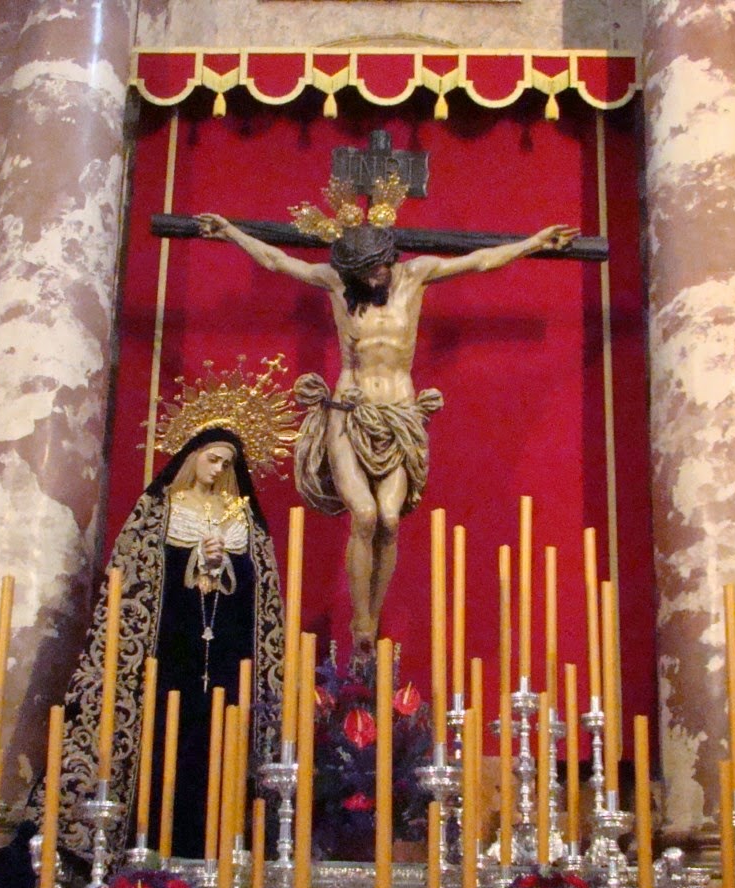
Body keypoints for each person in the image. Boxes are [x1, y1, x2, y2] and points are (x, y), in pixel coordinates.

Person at [196, 204, 576, 655]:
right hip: (349, 413)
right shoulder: (338, 284)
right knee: (364, 514)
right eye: (366, 270)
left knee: (390, 520)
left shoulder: (415, 276)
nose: (376, 276)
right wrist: (231, 232)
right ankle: (361, 622)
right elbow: (278, 261)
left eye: (379, 265)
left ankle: (372, 618)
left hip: (398, 415)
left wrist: (534, 243)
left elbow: (480, 261)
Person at [51, 426, 285, 862]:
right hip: (166, 653)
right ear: (193, 456)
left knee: (221, 749)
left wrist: (224, 565)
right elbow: (135, 577)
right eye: (212, 459)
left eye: (227, 464)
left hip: (229, 658)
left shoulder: (243, 520)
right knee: (161, 745)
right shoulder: (159, 510)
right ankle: (141, 847)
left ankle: (228, 853)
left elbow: (262, 593)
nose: (218, 469)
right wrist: (195, 558)